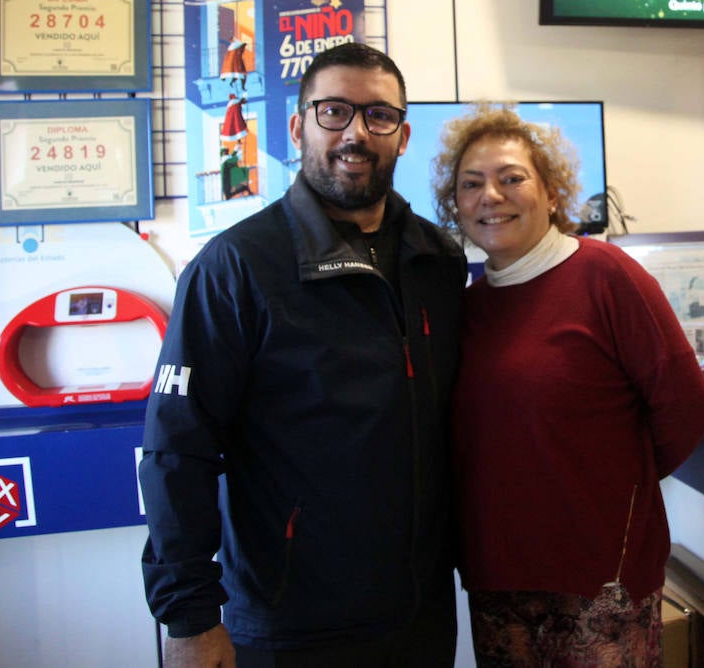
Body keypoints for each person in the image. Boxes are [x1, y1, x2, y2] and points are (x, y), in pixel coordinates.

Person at [140, 42, 468, 667]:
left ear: (402, 136)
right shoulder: (236, 267)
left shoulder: (438, 259)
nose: (356, 133)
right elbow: (176, 451)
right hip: (289, 623)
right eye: (334, 111)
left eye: (379, 116)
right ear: (298, 128)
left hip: (421, 616)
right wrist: (188, 618)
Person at [430, 104, 704, 666]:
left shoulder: (606, 275)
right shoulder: (467, 307)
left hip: (601, 579)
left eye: (512, 178)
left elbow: (687, 409)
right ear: (455, 204)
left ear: (552, 193)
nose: (491, 195)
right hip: (499, 578)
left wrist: (614, 485)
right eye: (471, 183)